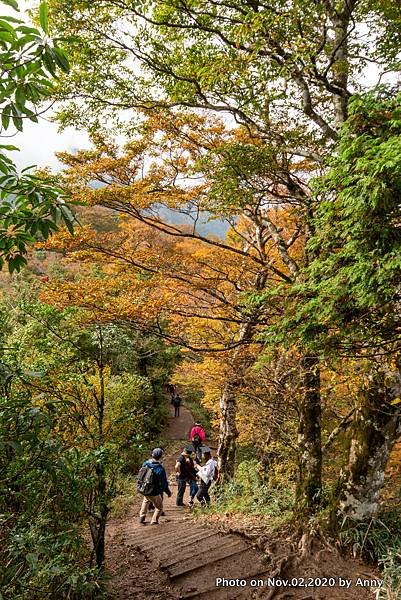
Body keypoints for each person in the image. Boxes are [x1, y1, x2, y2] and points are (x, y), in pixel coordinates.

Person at [138, 447, 172, 525]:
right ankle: (154, 520)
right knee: (159, 508)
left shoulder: (145, 463)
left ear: (152, 454)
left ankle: (142, 517)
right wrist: (168, 492)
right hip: (154, 491)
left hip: (144, 488)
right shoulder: (160, 468)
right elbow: (164, 483)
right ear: (160, 456)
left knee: (146, 500)